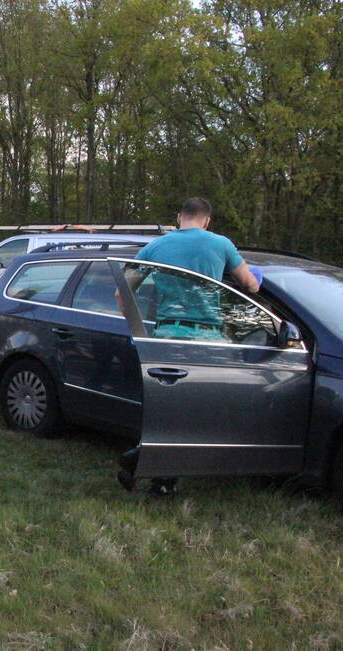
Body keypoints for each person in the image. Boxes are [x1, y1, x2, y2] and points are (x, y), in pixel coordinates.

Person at [121, 196, 261, 496]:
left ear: (179, 217)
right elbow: (250, 285)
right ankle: (159, 469)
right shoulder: (221, 244)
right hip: (207, 339)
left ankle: (152, 469)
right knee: (204, 410)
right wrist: (253, 279)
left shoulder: (155, 247)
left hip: (168, 335)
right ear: (207, 221)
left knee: (167, 411)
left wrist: (134, 323)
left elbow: (123, 292)